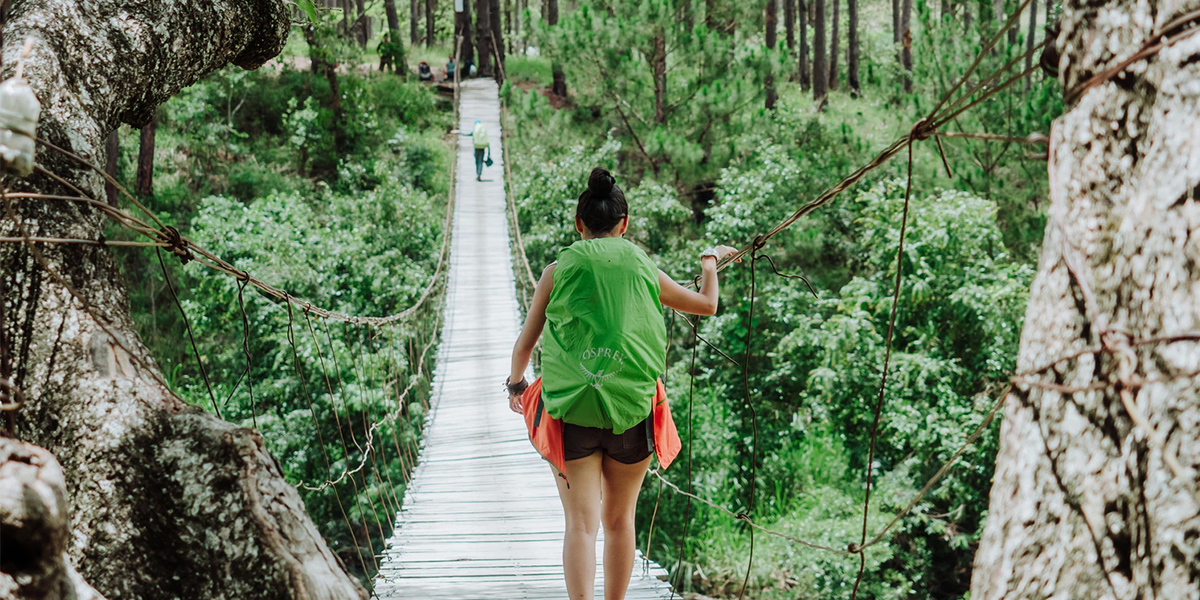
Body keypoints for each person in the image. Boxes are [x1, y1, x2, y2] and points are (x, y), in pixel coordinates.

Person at [506, 168, 737, 600]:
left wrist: (516, 386)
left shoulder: (558, 270)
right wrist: (709, 260)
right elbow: (706, 304)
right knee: (620, 520)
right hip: (633, 412)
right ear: (624, 224)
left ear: (579, 225)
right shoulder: (643, 265)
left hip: (573, 413)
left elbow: (524, 347)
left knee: (580, 525)